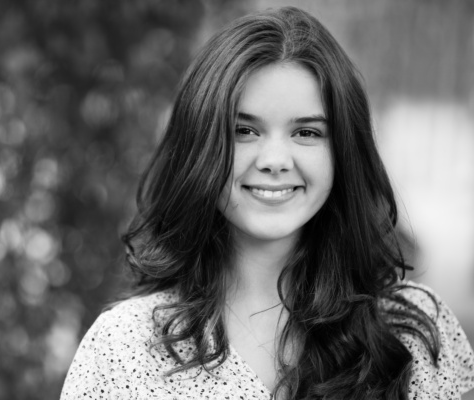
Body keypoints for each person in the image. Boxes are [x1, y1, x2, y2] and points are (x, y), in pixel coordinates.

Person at [60, 7, 474, 399]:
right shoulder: (122, 348)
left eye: (307, 133)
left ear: (344, 152)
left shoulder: (412, 333)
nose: (275, 161)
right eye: (244, 130)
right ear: (200, 145)